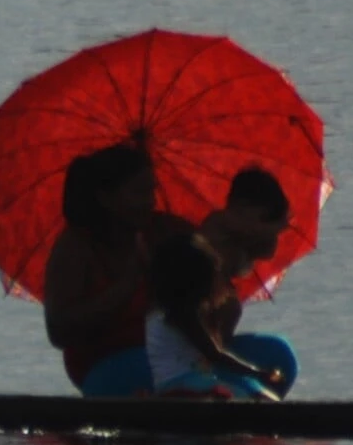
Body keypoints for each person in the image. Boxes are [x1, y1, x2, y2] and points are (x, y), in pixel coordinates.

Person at [42, 141, 189, 397]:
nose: (151, 202)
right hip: (104, 363)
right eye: (139, 193)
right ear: (106, 198)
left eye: (152, 191)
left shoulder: (165, 230)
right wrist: (128, 284)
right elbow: (59, 331)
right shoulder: (76, 246)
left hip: (165, 354)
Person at [196, 165, 301, 396]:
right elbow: (252, 229)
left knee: (277, 353)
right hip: (195, 355)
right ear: (241, 207)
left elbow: (268, 250)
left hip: (213, 350)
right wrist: (279, 224)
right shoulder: (217, 224)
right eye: (265, 218)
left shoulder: (244, 242)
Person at [143, 233, 285, 400]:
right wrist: (257, 372)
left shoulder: (166, 310)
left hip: (185, 383)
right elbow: (215, 355)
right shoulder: (181, 314)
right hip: (184, 386)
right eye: (215, 273)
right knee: (252, 398)